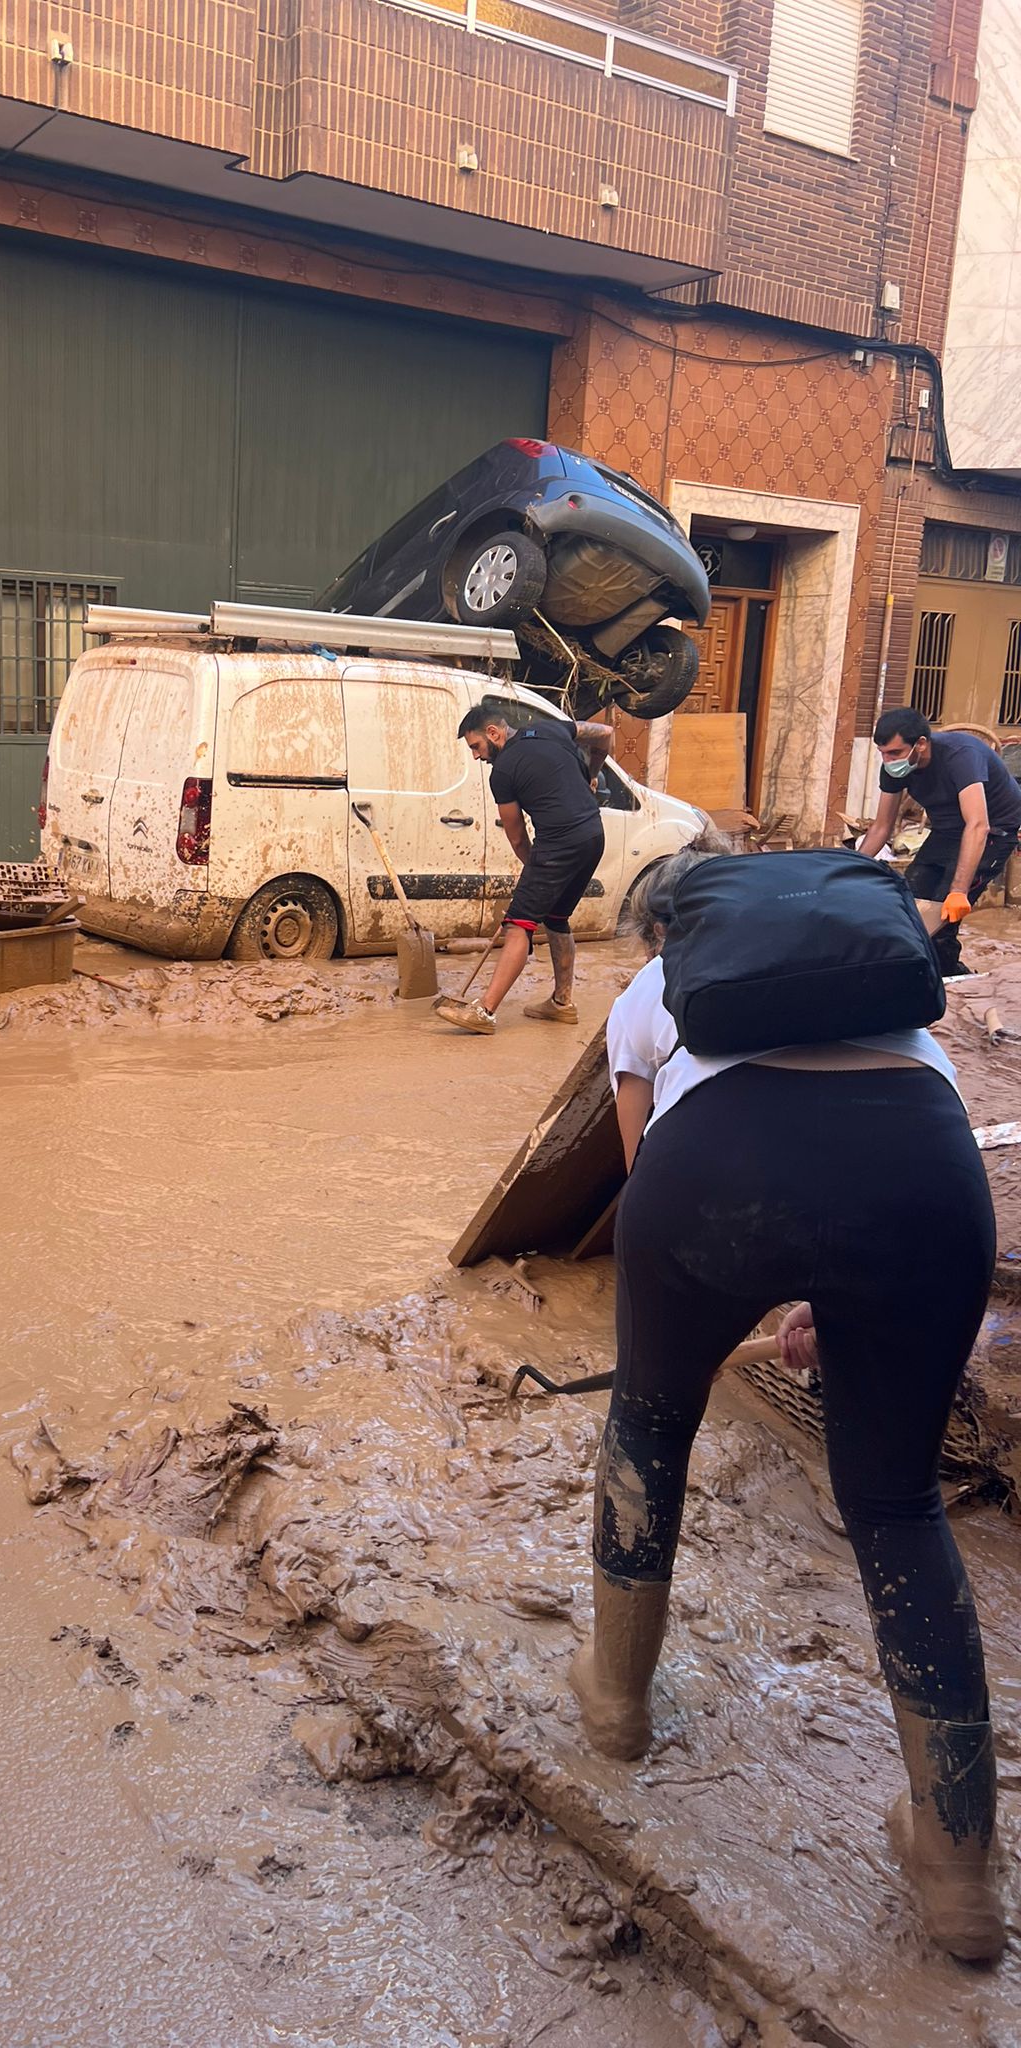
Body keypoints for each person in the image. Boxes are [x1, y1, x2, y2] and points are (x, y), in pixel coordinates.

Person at [579, 845, 1005, 1965]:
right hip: (926, 1180)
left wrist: (724, 1292)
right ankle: (960, 1863)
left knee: (652, 1423)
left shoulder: (650, 992)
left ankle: (616, 1702)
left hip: (711, 1179)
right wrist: (828, 1286)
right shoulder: (884, 989)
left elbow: (646, 1178)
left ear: (673, 929)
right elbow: (857, 1129)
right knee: (897, 1502)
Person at [433, 701, 612, 1034]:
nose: (476, 756)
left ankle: (484, 1012)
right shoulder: (553, 728)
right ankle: (561, 1003)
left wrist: (537, 872)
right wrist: (591, 771)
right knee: (556, 918)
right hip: (593, 836)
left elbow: (517, 838)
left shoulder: (502, 773)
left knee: (518, 925)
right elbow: (604, 734)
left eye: (476, 747)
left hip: (558, 844)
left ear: (493, 732)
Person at [859, 707, 1021, 977]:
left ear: (920, 744)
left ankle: (949, 979)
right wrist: (850, 867)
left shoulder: (960, 756)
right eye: (883, 754)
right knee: (908, 903)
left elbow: (978, 825)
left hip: (994, 829)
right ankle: (923, 973)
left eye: (895, 753)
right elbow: (881, 827)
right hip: (948, 829)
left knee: (942, 916)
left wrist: (958, 890)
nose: (888, 761)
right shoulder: (894, 768)